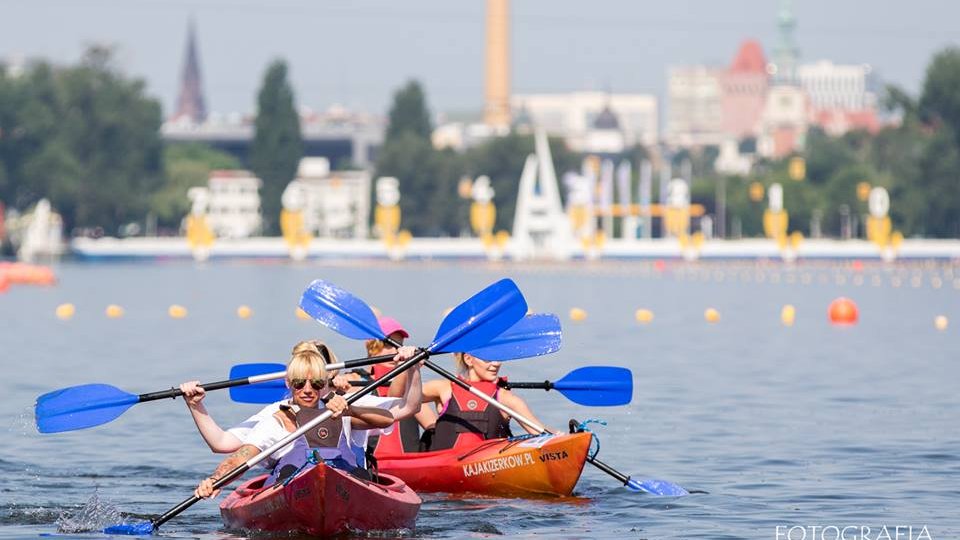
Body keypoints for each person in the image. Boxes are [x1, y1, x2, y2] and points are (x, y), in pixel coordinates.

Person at [194, 340, 413, 499]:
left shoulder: (339, 407)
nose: (307, 390)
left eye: (316, 383)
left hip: (347, 488)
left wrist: (350, 410)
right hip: (293, 492)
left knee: (358, 473)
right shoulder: (277, 419)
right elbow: (241, 457)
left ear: (324, 383)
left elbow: (387, 419)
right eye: (299, 383)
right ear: (289, 384)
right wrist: (215, 480)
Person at [419, 352, 549, 452]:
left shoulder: (506, 398)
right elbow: (402, 395)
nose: (496, 363)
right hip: (442, 468)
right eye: (488, 358)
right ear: (469, 359)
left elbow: (542, 433)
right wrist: (410, 368)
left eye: (498, 357)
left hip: (487, 470)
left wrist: (565, 439)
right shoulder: (444, 388)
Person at [359, 316, 438, 454]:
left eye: (398, 345)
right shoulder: (354, 380)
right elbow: (392, 397)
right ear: (371, 347)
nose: (394, 351)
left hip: (407, 464)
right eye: (388, 345)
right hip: (373, 463)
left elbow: (431, 424)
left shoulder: (410, 381)